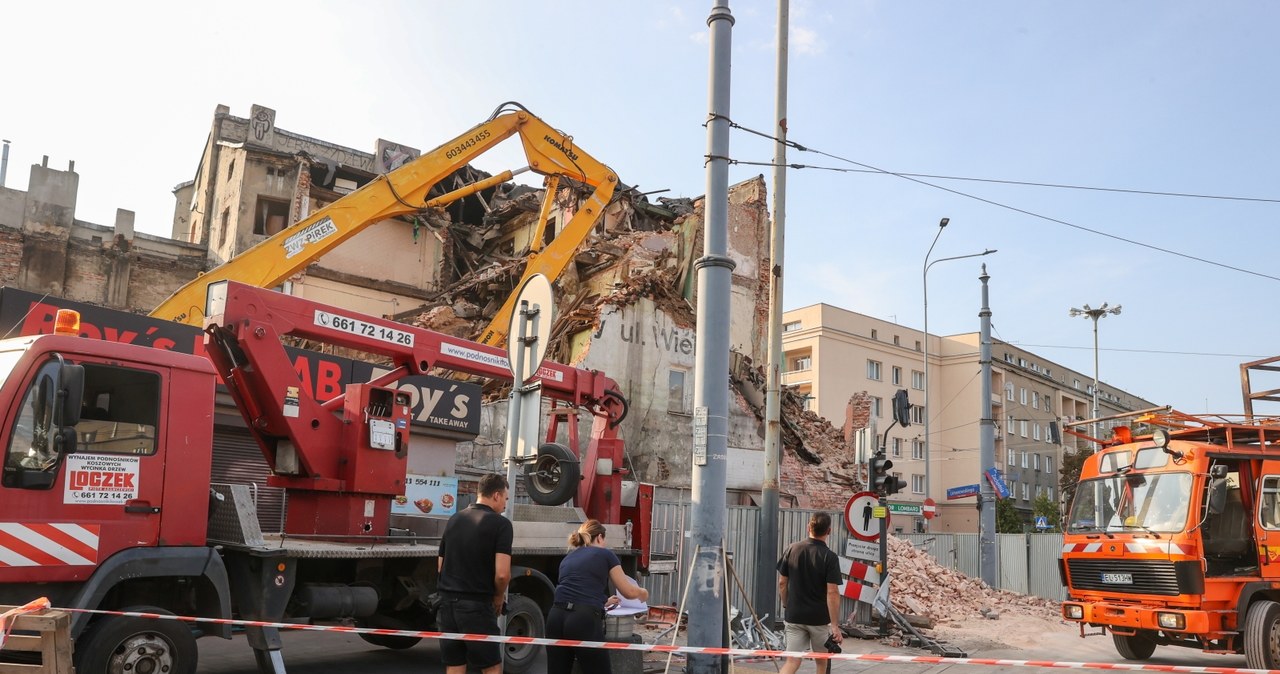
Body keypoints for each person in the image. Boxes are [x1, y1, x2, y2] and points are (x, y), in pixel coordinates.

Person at [546, 519, 648, 674]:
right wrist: (643, 592)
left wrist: (603, 602)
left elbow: (576, 590)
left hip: (555, 618)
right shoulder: (605, 554)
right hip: (583, 621)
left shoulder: (568, 558)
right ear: (600, 537)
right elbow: (628, 591)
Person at [436, 474, 513, 674]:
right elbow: (503, 574)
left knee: (455, 663)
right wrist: (498, 597)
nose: (506, 504)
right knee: (491, 666)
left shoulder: (454, 519)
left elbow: (440, 565)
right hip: (476, 605)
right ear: (496, 495)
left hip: (446, 603)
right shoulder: (500, 524)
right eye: (505, 498)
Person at [776, 512, 843, 674]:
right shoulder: (830, 557)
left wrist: (786, 604)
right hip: (818, 620)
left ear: (808, 528)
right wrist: (834, 626)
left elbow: (782, 582)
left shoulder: (792, 549)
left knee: (792, 662)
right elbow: (832, 592)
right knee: (822, 662)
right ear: (829, 531)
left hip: (794, 616)